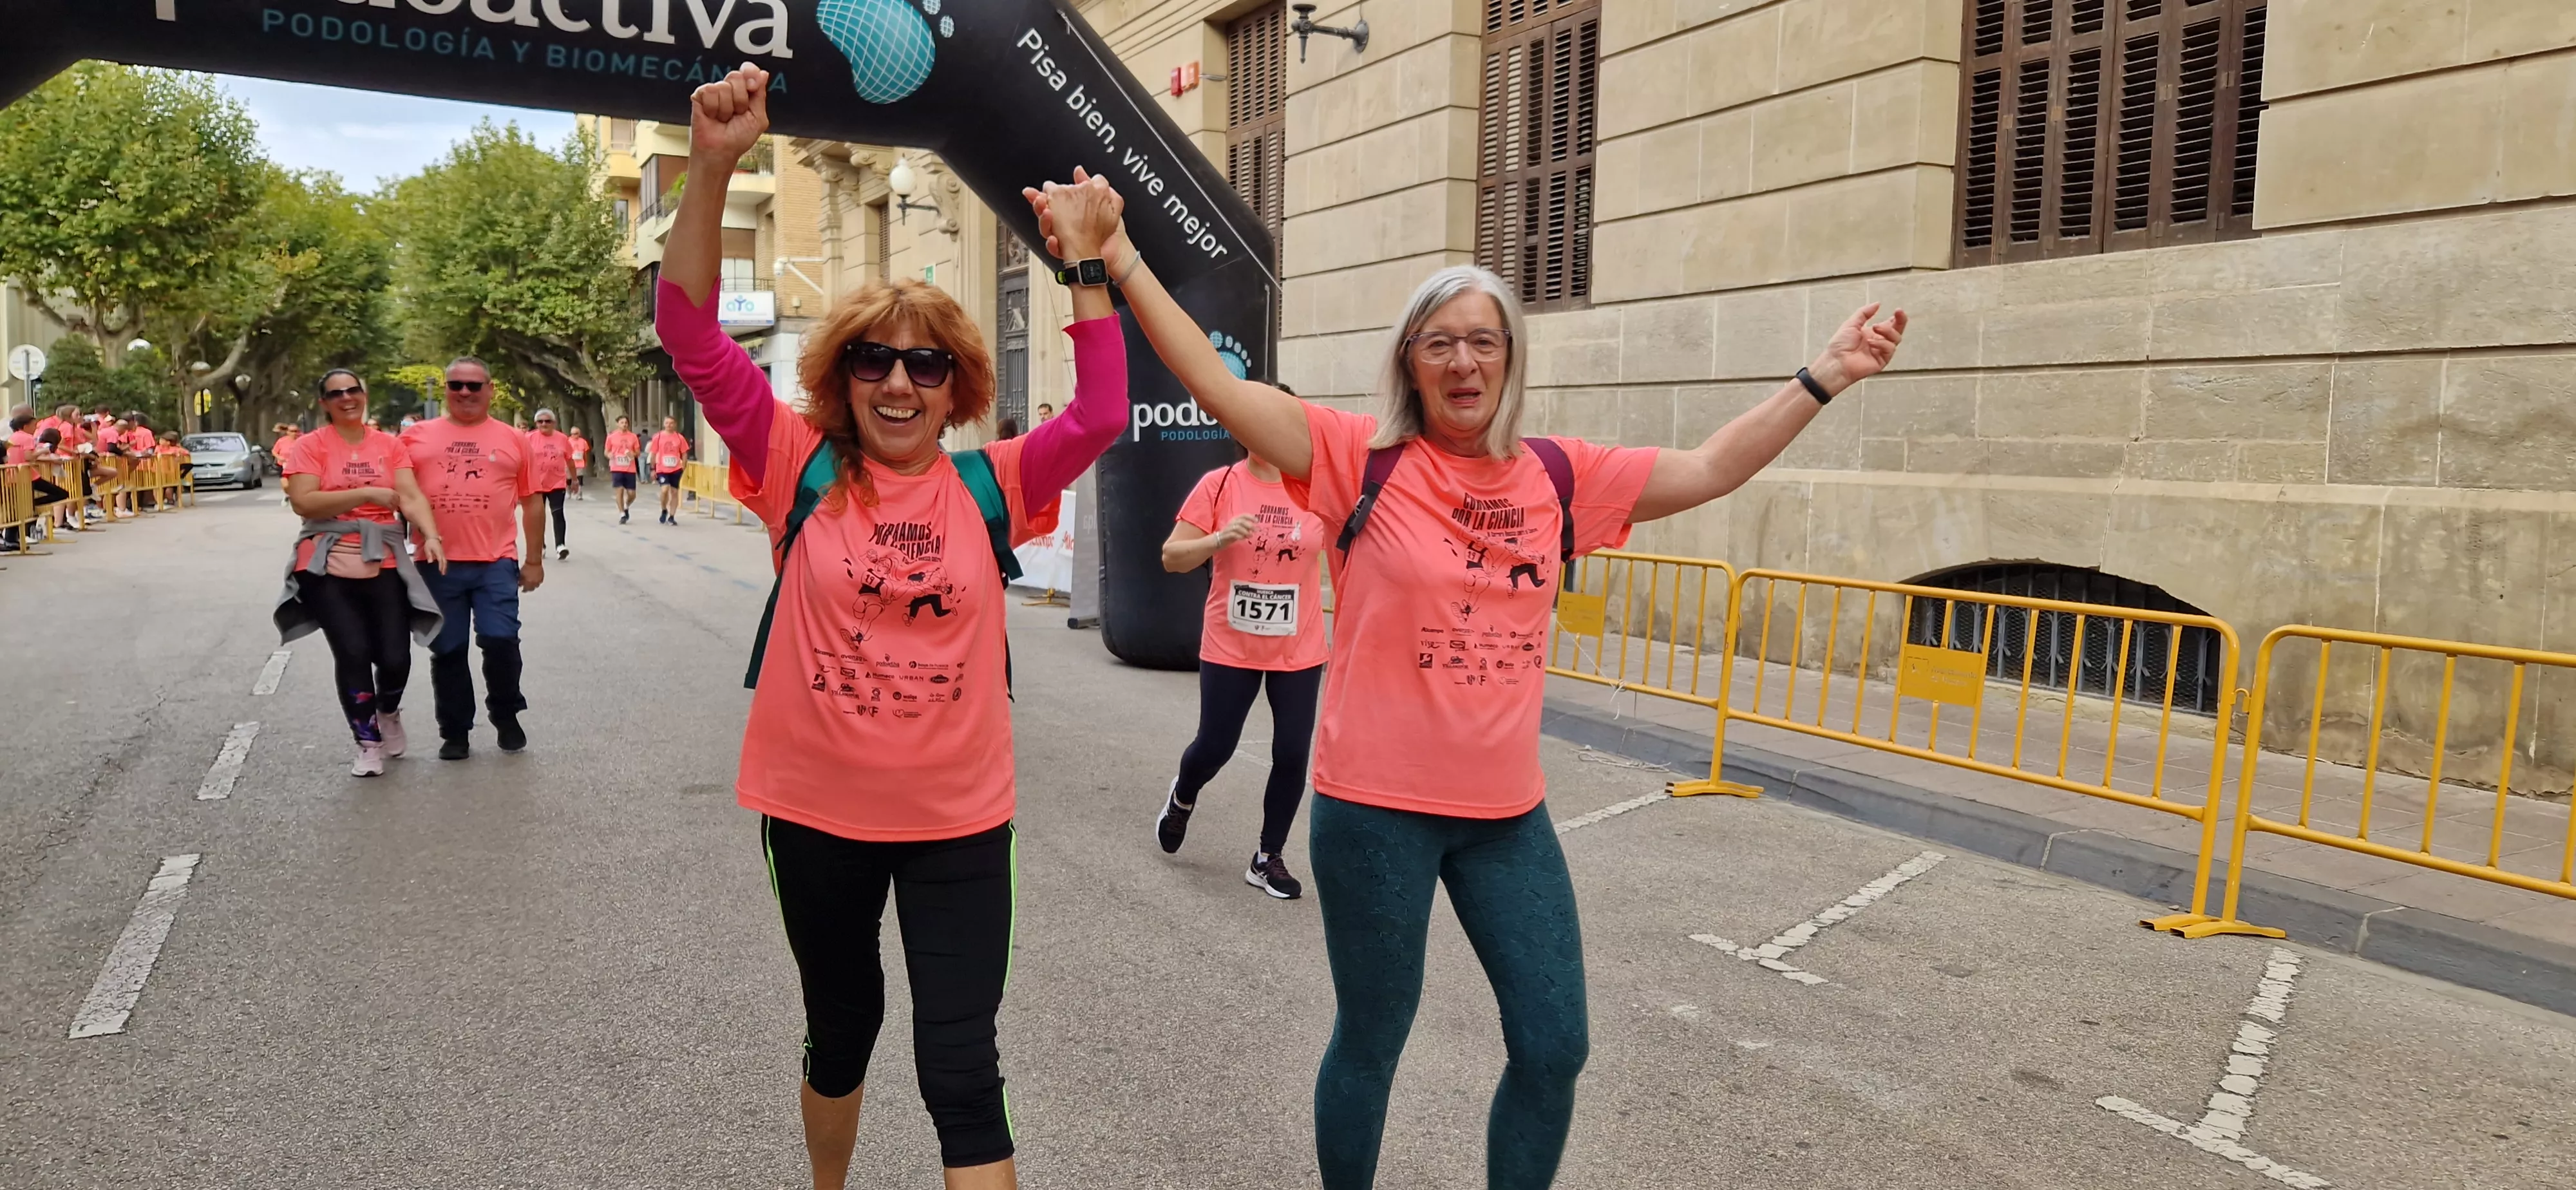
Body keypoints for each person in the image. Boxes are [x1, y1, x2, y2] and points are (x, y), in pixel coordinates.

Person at [1028, 169, 1906, 1189]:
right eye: (1439, 340)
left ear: (1510, 359)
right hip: (1372, 811)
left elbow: (1709, 468)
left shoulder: (1561, 475)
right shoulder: (1362, 457)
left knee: (1553, 1044)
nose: (1462, 359)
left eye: (1483, 339)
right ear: (1411, 361)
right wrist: (1120, 257)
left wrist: (1823, 378)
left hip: (1504, 816)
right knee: (1374, 1040)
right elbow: (1221, 390)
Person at [663, 66, 1128, 1190]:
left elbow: (1103, 411)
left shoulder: (993, 485)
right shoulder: (794, 465)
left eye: (927, 362)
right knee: (843, 1030)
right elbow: (687, 330)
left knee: (963, 1068)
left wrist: (1084, 266)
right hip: (817, 815)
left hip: (960, 822)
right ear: (844, 377)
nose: (901, 381)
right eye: (875, 359)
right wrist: (716, 163)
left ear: (958, 383)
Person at [1155, 443, 1329, 898]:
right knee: (1215, 747)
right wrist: (1219, 539)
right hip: (1231, 645)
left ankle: (1267, 857)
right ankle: (1182, 797)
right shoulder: (1220, 486)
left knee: (1292, 753)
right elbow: (1172, 557)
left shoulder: (1318, 490)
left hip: (1299, 645)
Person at [276, 370, 448, 777]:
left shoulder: (389, 446)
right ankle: (367, 743)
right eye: (336, 394)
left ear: (364, 395)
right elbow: (305, 502)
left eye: (353, 390)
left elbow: (408, 495)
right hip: (325, 557)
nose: (347, 398)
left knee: (395, 656)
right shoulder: (309, 446)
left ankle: (387, 710)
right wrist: (368, 493)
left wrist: (432, 535)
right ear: (325, 404)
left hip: (383, 555)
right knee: (352, 651)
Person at [401, 356, 547, 760]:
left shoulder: (514, 439)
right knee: (447, 649)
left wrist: (533, 561)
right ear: (446, 389)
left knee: (500, 642)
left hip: (495, 562)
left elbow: (532, 503)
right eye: (456, 385)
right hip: (437, 564)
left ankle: (506, 713)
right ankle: (455, 731)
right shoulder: (414, 438)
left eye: (474, 385)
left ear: (490, 390)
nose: (465, 392)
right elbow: (395, 494)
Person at [526, 408, 573, 560]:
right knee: (538, 516)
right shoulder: (529, 438)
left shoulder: (562, 439)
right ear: (536, 423)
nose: (544, 424)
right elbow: (521, 460)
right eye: (540, 422)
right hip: (536, 483)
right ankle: (541, 545)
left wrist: (575, 479)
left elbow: (570, 459)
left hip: (557, 482)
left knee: (558, 513)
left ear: (554, 423)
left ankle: (561, 545)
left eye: (547, 421)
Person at [648, 415, 690, 524]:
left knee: (675, 492)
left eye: (671, 423)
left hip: (676, 469)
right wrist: (652, 468)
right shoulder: (658, 437)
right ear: (664, 424)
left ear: (675, 424)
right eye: (667, 423)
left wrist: (684, 467)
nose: (669, 425)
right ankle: (664, 509)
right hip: (662, 468)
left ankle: (672, 516)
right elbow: (653, 453)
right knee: (664, 490)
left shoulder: (679, 438)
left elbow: (684, 453)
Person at [605, 415, 642, 523]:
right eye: (622, 423)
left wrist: (633, 454)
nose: (624, 425)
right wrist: (609, 455)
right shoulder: (611, 437)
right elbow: (606, 452)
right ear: (618, 424)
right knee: (619, 490)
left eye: (626, 423)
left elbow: (638, 452)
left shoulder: (633, 437)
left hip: (630, 468)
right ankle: (622, 514)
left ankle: (626, 505)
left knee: (632, 494)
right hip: (616, 467)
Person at [567, 426, 591, 500]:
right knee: (569, 479)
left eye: (576, 434)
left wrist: (586, 462)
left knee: (580, 478)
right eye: (573, 434)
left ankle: (579, 493)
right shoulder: (568, 441)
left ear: (579, 434)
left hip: (580, 463)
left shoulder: (583, 442)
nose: (574, 436)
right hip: (570, 463)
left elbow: (585, 453)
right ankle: (569, 492)